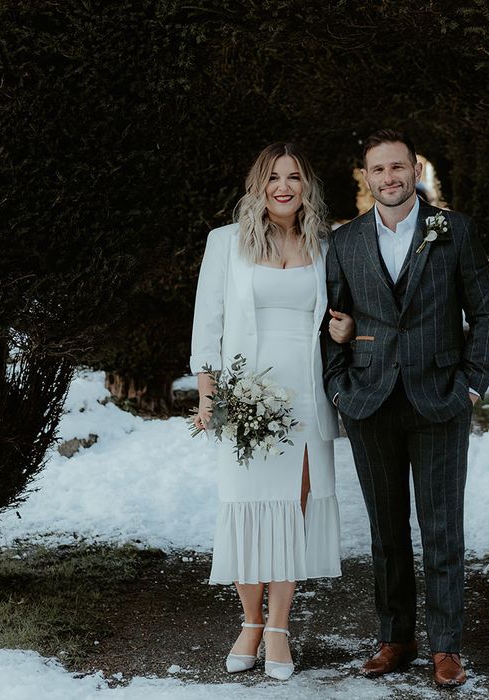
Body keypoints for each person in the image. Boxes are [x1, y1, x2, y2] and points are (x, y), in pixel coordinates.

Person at [323, 130, 489, 687]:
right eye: (378, 170)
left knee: (442, 527)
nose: (389, 177)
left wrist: (471, 385)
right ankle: (395, 637)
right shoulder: (346, 241)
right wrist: (338, 387)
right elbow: (331, 322)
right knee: (386, 530)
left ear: (414, 169)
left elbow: (486, 315)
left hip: (440, 399)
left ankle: (446, 647)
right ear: (367, 176)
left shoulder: (455, 231)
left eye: (398, 167)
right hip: (370, 402)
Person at [190, 143, 354, 681]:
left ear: (307, 186)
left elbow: (338, 317)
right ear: (258, 184)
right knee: (247, 506)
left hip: (305, 394)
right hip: (247, 396)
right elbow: (207, 323)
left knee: (293, 509)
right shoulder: (226, 244)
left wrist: (344, 330)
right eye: (274, 177)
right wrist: (210, 397)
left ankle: (280, 627)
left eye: (294, 177)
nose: (284, 186)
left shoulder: (327, 247)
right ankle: (250, 623)